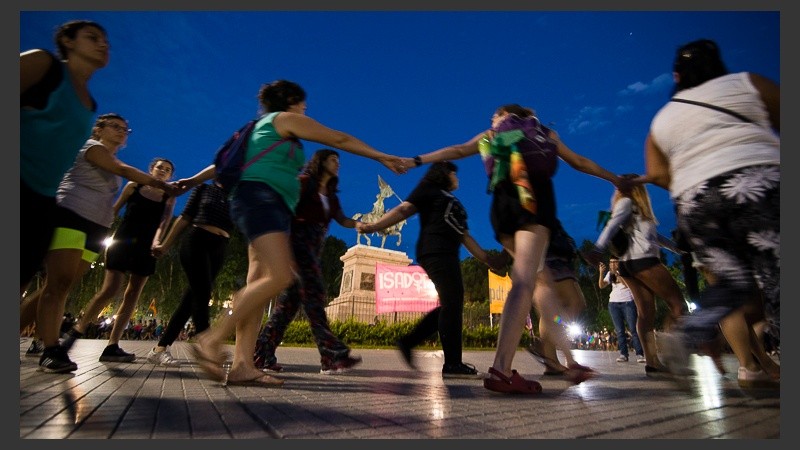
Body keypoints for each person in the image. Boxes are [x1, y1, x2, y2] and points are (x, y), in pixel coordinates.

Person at [176, 79, 408, 387]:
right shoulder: (284, 119)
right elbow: (338, 138)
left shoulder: (259, 127)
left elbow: (223, 165)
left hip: (259, 202)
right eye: (302, 102)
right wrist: (381, 156)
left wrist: (192, 180)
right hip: (263, 200)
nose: (305, 108)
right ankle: (212, 338)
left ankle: (244, 363)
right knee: (281, 277)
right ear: (289, 101)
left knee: (258, 283)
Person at [410, 104, 622, 394]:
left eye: (494, 116)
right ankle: (501, 368)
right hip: (532, 201)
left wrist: (417, 160)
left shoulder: (491, 135)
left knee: (540, 282)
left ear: (507, 115)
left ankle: (569, 361)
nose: (493, 121)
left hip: (502, 208)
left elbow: (459, 150)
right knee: (525, 282)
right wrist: (614, 178)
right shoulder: (545, 133)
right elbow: (580, 162)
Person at [632, 38, 779, 388]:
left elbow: (656, 173)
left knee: (730, 282)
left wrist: (694, 183)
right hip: (757, 183)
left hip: (696, 200)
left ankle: (689, 333)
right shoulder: (747, 83)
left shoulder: (662, 119)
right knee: (777, 276)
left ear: (677, 75)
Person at [19, 114, 180, 373]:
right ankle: (51, 349)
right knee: (59, 283)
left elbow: (159, 218)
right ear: (99, 129)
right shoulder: (93, 149)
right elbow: (123, 172)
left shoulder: (113, 159)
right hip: (72, 216)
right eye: (114, 127)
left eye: (124, 129)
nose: (120, 131)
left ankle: (37, 337)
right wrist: (159, 184)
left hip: (96, 226)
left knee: (63, 284)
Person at [357, 161, 503, 378]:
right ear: (445, 173)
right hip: (434, 251)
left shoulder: (450, 198)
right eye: (455, 174)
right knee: (452, 302)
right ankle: (451, 363)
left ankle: (410, 342)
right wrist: (373, 226)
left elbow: (464, 236)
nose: (458, 179)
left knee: (451, 303)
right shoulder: (428, 188)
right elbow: (403, 209)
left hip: (449, 253)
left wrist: (487, 260)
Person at [253, 149, 364, 374]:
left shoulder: (331, 195)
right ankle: (331, 355)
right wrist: (285, 254)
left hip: (313, 249)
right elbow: (284, 214)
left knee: (287, 307)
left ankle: (261, 355)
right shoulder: (303, 183)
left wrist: (361, 225)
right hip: (297, 246)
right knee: (315, 298)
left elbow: (341, 219)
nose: (338, 164)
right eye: (334, 160)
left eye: (338, 161)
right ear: (321, 162)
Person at [21, 20, 109, 295]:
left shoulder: (90, 103)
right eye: (93, 37)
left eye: (105, 41)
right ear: (68, 41)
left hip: (44, 199)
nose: (103, 45)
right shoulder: (44, 65)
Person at [60, 157, 177, 363]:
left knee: (132, 294)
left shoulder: (168, 196)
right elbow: (114, 210)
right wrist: (98, 233)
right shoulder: (134, 186)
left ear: (170, 175)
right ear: (151, 169)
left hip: (146, 247)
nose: (162, 171)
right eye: (159, 167)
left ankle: (112, 345)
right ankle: (76, 332)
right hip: (123, 241)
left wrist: (158, 241)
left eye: (167, 170)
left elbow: (164, 222)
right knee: (110, 289)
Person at [584, 182, 687, 377]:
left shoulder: (638, 211)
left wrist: (676, 249)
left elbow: (655, 237)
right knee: (678, 305)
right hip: (643, 262)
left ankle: (652, 363)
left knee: (645, 313)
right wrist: (598, 248)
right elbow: (613, 224)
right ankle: (673, 350)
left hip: (629, 266)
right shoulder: (627, 202)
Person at [146, 180, 234, 366]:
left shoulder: (236, 194)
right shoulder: (204, 189)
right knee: (203, 293)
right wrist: (165, 245)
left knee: (190, 301)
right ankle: (208, 347)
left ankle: (159, 349)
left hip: (220, 247)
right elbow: (184, 218)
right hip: (196, 241)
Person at [524, 220, 597, 382]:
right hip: (550, 253)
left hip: (554, 250)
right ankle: (546, 348)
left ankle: (550, 358)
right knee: (572, 303)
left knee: (552, 307)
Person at [598, 259, 645, 363]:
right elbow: (601, 285)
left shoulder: (627, 271)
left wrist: (618, 274)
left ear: (619, 263)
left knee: (633, 329)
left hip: (628, 302)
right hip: (613, 304)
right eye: (610, 262)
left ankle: (640, 354)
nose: (612, 264)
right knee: (619, 331)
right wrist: (601, 273)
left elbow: (628, 285)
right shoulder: (610, 274)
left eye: (615, 262)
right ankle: (623, 354)